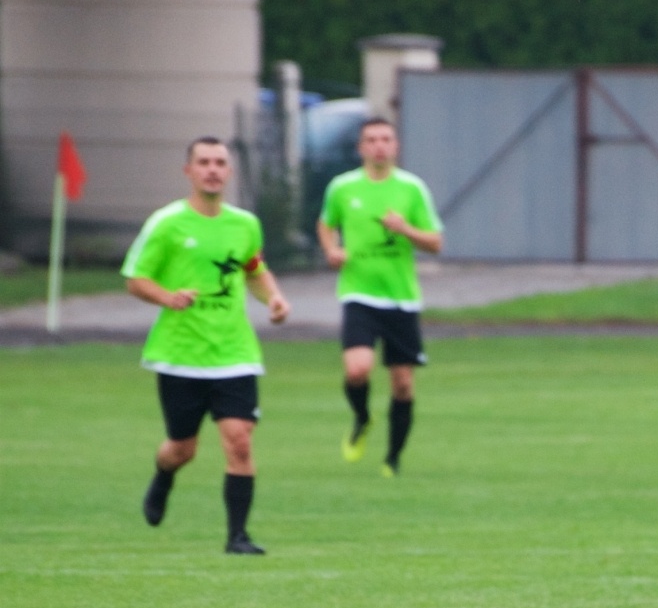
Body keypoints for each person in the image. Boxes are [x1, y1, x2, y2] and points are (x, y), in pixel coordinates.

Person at [124, 136, 291, 554]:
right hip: (181, 354)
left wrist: (273, 297)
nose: (212, 169)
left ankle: (238, 537)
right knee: (182, 449)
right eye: (204, 162)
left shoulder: (245, 224)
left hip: (235, 353)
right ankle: (164, 476)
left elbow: (254, 268)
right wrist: (167, 297)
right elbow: (135, 279)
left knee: (240, 440)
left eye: (219, 162)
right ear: (189, 171)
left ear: (229, 171)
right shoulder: (167, 223)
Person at [316, 117, 444, 476]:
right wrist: (332, 249)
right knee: (357, 369)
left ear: (396, 146)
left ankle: (393, 457)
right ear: (361, 148)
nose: (379, 146)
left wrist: (405, 229)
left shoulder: (411, 189)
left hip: (401, 298)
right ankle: (361, 417)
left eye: (386, 139)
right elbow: (326, 223)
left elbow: (435, 243)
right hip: (359, 294)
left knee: (402, 384)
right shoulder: (342, 187)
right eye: (371, 140)